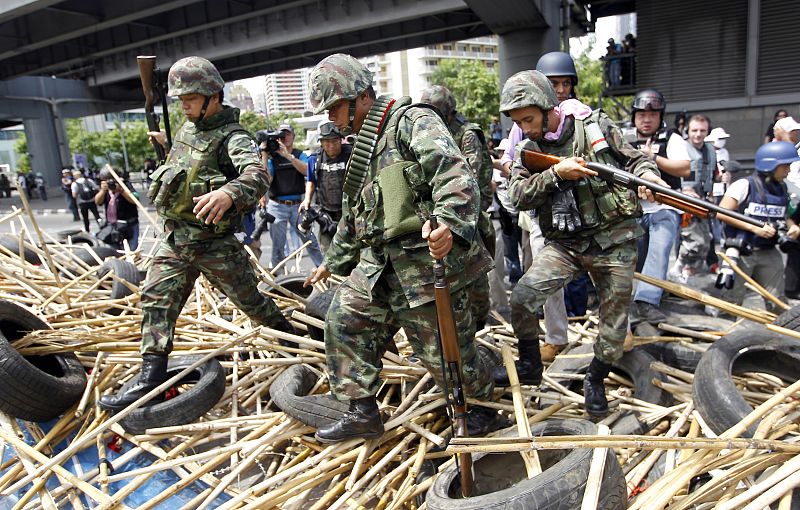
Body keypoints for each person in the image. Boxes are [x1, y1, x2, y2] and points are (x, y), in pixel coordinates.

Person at [304, 53, 497, 442]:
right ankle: (361, 410)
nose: (333, 118)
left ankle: (481, 410)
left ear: (360, 97)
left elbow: (455, 174)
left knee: (445, 355)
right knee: (344, 321)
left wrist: (448, 224)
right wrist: (333, 262)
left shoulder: (411, 122)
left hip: (425, 265)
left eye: (336, 107)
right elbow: (355, 215)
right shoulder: (363, 148)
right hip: (379, 267)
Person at [99, 56, 296, 412]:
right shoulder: (189, 129)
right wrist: (166, 145)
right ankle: (151, 373)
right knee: (156, 299)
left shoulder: (233, 136)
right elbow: (184, 168)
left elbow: (256, 175)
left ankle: (296, 343)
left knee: (252, 303)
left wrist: (228, 193)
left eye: (189, 98)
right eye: (180, 99)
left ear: (213, 96)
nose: (184, 105)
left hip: (212, 244)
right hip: (176, 239)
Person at [495, 70, 664, 417]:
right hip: (566, 243)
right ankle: (529, 364)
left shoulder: (595, 126)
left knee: (615, 327)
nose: (524, 128)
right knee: (524, 297)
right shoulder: (528, 150)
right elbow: (516, 196)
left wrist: (648, 176)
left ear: (547, 106)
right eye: (517, 122)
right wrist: (556, 174)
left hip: (612, 240)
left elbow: (635, 159)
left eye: (528, 119)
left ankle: (596, 379)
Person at [499, 51, 581, 362]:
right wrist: (547, 173)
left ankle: (617, 330)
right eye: (553, 83)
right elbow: (510, 163)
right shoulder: (523, 124)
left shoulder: (581, 117)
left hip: (579, 206)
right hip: (542, 211)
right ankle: (556, 336)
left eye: (565, 83)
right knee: (544, 279)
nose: (560, 90)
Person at [420, 84, 494, 332]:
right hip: (445, 218)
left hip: (470, 218)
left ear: (449, 114)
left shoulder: (466, 134)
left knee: (477, 278)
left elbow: (467, 180)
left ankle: (481, 326)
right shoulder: (432, 135)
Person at [628, 89, 691, 324]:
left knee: (660, 248)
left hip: (664, 207)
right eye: (642, 114)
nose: (646, 119)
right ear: (634, 116)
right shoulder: (623, 137)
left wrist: (653, 158)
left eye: (652, 115)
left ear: (660, 116)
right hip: (633, 209)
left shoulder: (671, 137)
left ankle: (646, 301)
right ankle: (640, 296)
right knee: (637, 258)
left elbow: (684, 169)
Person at [718, 142, 799, 310]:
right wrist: (753, 228)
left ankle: (780, 336)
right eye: (785, 166)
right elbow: (721, 212)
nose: (788, 171)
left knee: (778, 304)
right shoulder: (745, 185)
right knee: (731, 303)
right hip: (741, 252)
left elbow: (785, 215)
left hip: (769, 252)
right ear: (771, 164)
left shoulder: (782, 188)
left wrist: (792, 227)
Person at [263, 123, 323, 268]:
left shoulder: (299, 154)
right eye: (282, 135)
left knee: (310, 240)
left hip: (298, 205)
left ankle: (322, 270)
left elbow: (306, 171)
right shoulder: (272, 158)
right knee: (278, 245)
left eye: (288, 134)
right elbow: (266, 179)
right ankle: (278, 277)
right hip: (277, 206)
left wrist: (288, 156)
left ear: (293, 136)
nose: (285, 137)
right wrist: (264, 154)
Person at [674, 115, 717, 281]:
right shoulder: (680, 148)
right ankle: (680, 267)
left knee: (706, 240)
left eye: (702, 130)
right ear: (688, 131)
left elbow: (713, 175)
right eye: (694, 130)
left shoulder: (710, 150)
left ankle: (691, 270)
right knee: (691, 239)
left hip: (704, 200)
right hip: (684, 200)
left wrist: (722, 178)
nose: (698, 134)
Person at [300, 121, 351, 251]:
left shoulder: (352, 155)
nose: (331, 145)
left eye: (335, 141)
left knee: (351, 251)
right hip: (326, 214)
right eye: (327, 141)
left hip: (349, 211)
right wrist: (307, 200)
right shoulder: (314, 159)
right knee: (327, 251)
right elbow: (311, 180)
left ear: (341, 140)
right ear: (321, 142)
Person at [94, 167, 140, 250]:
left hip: (129, 224)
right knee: (113, 250)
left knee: (131, 249)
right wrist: (103, 191)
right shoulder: (105, 188)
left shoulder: (125, 184)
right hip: (112, 225)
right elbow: (97, 202)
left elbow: (135, 200)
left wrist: (121, 190)